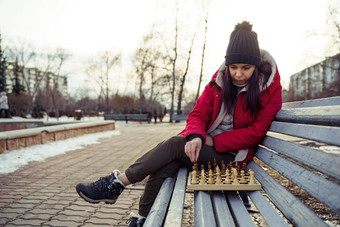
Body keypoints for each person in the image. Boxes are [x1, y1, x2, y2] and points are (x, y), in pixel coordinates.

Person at [75, 21, 282, 227]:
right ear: (226, 65)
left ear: (256, 65)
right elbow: (198, 113)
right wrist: (196, 136)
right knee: (166, 164)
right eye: (233, 67)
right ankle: (144, 219)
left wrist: (213, 141)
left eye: (246, 68)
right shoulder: (219, 81)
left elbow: (256, 133)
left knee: (175, 145)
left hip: (233, 157)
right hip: (206, 149)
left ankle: (118, 182)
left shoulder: (270, 88)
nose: (238, 74)